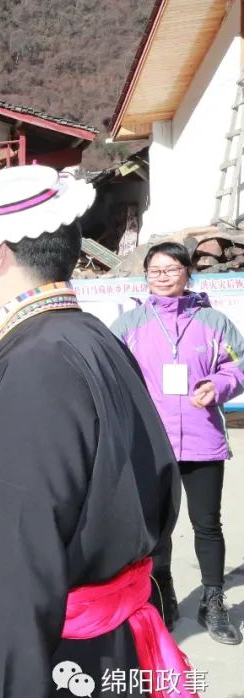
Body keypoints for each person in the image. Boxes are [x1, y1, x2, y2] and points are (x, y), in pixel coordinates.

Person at [0, 166, 201, 698]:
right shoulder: (84, 337)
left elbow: (15, 557)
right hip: (104, 644)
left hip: (61, 668)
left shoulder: (37, 364)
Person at [111, 241, 244, 645]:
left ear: (188, 272)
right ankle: (162, 592)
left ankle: (213, 599)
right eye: (155, 271)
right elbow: (112, 374)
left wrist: (218, 385)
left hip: (203, 440)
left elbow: (237, 365)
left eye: (171, 269)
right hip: (151, 443)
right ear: (146, 276)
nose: (163, 277)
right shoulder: (130, 324)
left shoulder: (213, 321)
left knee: (208, 525)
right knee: (156, 528)